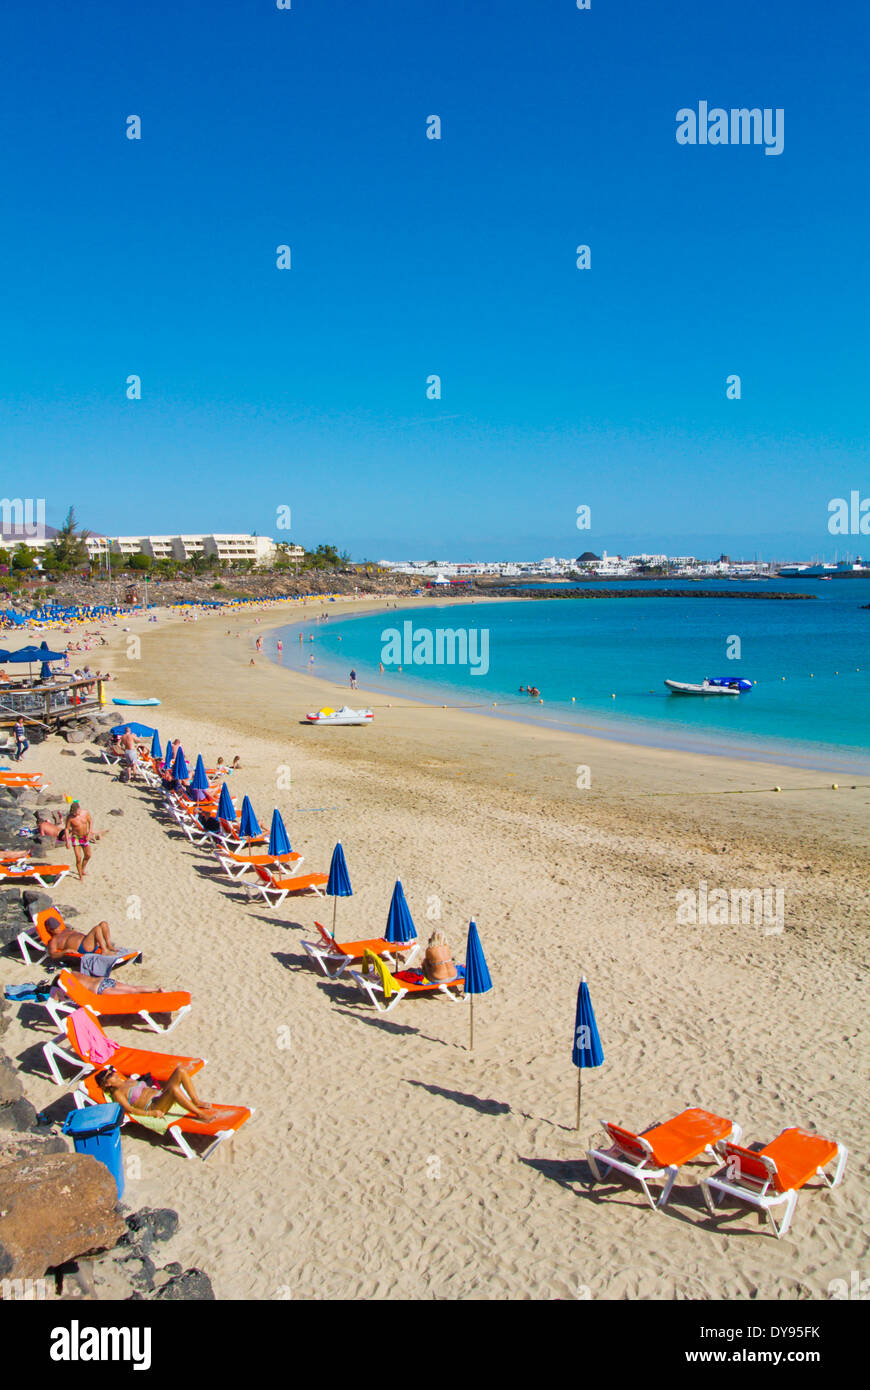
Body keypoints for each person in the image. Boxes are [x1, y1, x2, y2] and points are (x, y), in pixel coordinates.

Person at [94, 1064, 217, 1123]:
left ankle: (195, 1100)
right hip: (155, 1106)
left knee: (181, 1071)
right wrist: (151, 1113)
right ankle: (199, 1114)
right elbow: (130, 1109)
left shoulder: (128, 1080)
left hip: (160, 1095)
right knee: (174, 1088)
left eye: (112, 1071)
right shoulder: (117, 1094)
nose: (114, 1073)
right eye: (109, 1075)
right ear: (107, 1084)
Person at [63, 801, 93, 880]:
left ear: (79, 809)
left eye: (75, 813)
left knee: (88, 855)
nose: (74, 815)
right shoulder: (70, 818)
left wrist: (90, 833)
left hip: (85, 837)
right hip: (76, 838)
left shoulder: (85, 813)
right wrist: (67, 841)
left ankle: (82, 870)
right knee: (78, 858)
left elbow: (90, 822)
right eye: (73, 814)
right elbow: (66, 829)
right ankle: (80, 876)